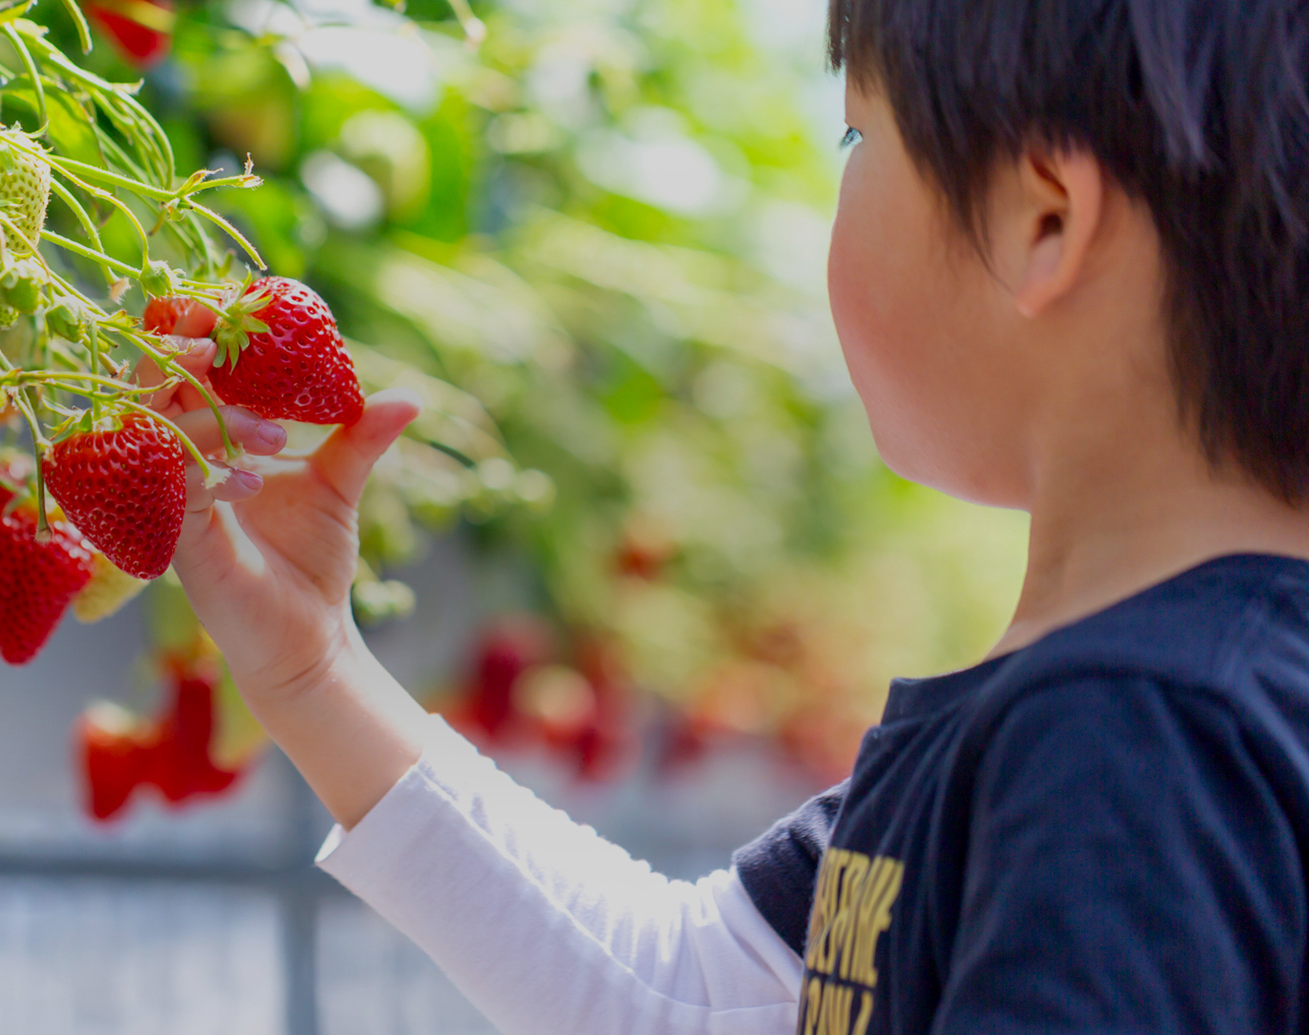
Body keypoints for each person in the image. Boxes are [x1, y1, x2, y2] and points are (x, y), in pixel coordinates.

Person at [144, 0, 1309, 1030]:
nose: (838, 181)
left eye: (859, 134)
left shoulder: (1125, 736)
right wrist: (313, 667)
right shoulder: (1138, 712)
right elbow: (685, 994)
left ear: (1038, 221)